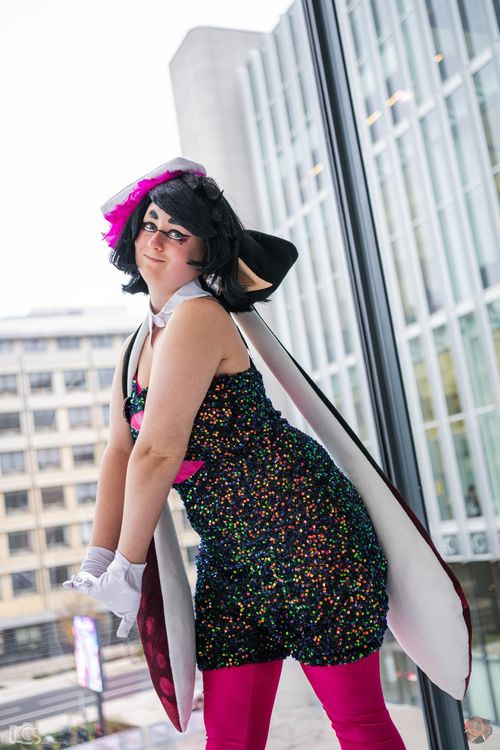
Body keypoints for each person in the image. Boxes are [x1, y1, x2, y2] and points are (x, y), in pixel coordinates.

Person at [62, 157, 469, 749]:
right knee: (229, 738)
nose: (156, 240)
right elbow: (120, 454)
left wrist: (130, 567)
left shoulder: (198, 316)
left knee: (357, 723)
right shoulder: (137, 344)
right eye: (150, 224)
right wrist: (101, 560)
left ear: (205, 252)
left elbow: (158, 452)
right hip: (233, 558)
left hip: (309, 537)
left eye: (177, 233)